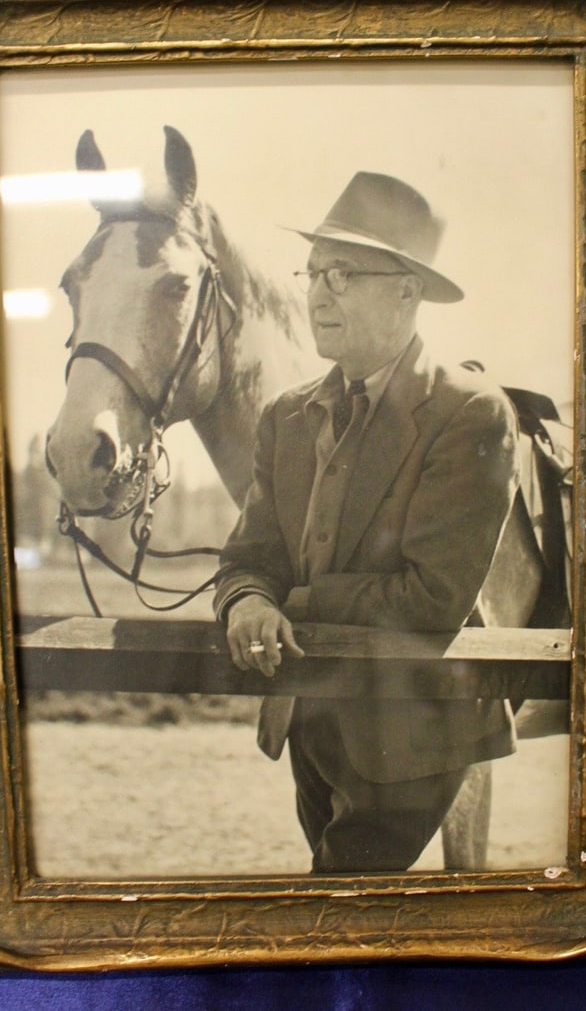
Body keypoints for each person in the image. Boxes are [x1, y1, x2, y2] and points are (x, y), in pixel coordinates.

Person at [213, 171, 520, 874]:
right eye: (315, 271)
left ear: (407, 291)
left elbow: (432, 598)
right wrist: (248, 600)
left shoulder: (469, 412)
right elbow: (248, 556)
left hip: (414, 731)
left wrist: (293, 601)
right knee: (348, 919)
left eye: (344, 273)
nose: (318, 292)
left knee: (334, 906)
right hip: (309, 725)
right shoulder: (286, 418)